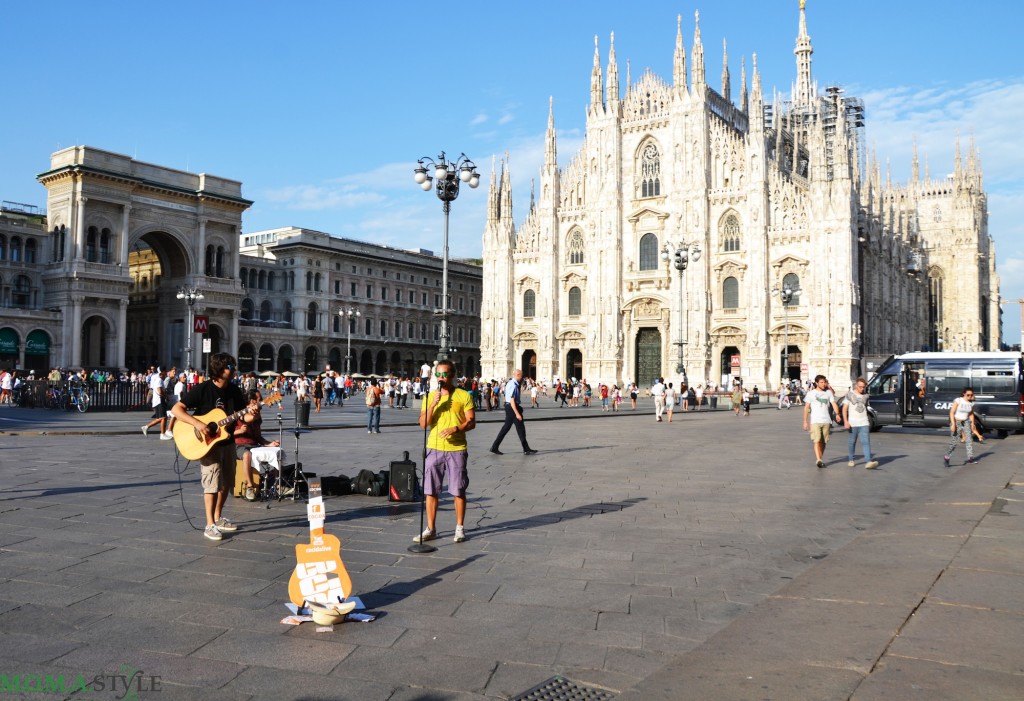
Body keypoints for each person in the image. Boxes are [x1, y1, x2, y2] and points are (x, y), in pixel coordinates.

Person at [171, 352, 251, 540]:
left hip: (228, 442)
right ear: (219, 370)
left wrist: (253, 413)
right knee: (212, 484)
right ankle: (209, 524)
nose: (234, 370)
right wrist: (198, 424)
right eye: (230, 367)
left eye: (233, 366)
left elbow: (243, 416)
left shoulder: (235, 390)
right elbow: (176, 409)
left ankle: (218, 516)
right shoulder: (203, 389)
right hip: (208, 445)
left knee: (227, 484)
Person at [414, 359, 476, 544]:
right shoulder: (430, 396)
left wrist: (456, 428)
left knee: (458, 489)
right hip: (434, 447)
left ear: (453, 375)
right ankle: (431, 528)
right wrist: (433, 404)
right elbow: (423, 424)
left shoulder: (464, 395)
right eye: (438, 374)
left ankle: (459, 528)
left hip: (456, 448)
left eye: (445, 374)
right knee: (430, 490)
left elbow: (472, 421)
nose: (441, 378)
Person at [234, 389, 282, 501]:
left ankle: (277, 484)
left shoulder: (257, 416)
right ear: (252, 401)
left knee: (277, 451)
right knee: (247, 455)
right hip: (239, 445)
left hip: (254, 445)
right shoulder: (240, 412)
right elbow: (226, 433)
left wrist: (270, 444)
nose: (261, 401)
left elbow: (258, 437)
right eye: (259, 399)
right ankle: (250, 487)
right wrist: (239, 431)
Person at [488, 368, 538, 455]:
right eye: (521, 376)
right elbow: (512, 400)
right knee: (520, 429)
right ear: (517, 375)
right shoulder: (514, 385)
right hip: (512, 408)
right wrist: (517, 413)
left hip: (509, 407)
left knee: (506, 428)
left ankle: (494, 447)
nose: (522, 377)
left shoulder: (510, 383)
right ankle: (526, 449)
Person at [803, 374, 840, 468]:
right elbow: (806, 407)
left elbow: (833, 403)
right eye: (821, 382)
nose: (823, 384)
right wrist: (805, 421)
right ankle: (819, 459)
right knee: (817, 440)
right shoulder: (811, 393)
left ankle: (819, 459)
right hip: (815, 420)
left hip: (827, 420)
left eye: (824, 382)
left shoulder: (828, 393)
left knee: (824, 442)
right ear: (816, 383)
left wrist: (837, 414)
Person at [843, 377, 878, 469]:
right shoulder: (849, 395)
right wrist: (846, 421)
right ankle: (851, 459)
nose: (862, 389)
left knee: (866, 442)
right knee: (852, 442)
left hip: (864, 422)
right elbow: (844, 409)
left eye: (863, 387)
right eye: (860, 387)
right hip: (852, 423)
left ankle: (868, 461)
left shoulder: (866, 396)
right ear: (856, 385)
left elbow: (865, 407)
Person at [944, 387, 980, 467]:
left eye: (971, 395)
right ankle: (947, 456)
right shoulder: (958, 400)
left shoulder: (971, 403)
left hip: (966, 421)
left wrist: (972, 424)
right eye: (968, 395)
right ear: (964, 393)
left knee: (969, 440)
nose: (969, 397)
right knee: (954, 442)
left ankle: (970, 458)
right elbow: (952, 412)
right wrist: (953, 424)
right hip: (957, 422)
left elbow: (971, 414)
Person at [142, 368, 170, 439]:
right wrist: (165, 396)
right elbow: (159, 391)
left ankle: (146, 427)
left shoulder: (159, 380)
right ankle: (162, 434)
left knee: (161, 418)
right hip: (159, 401)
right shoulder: (159, 380)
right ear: (162, 372)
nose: (166, 373)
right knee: (163, 417)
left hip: (158, 401)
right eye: (165, 371)